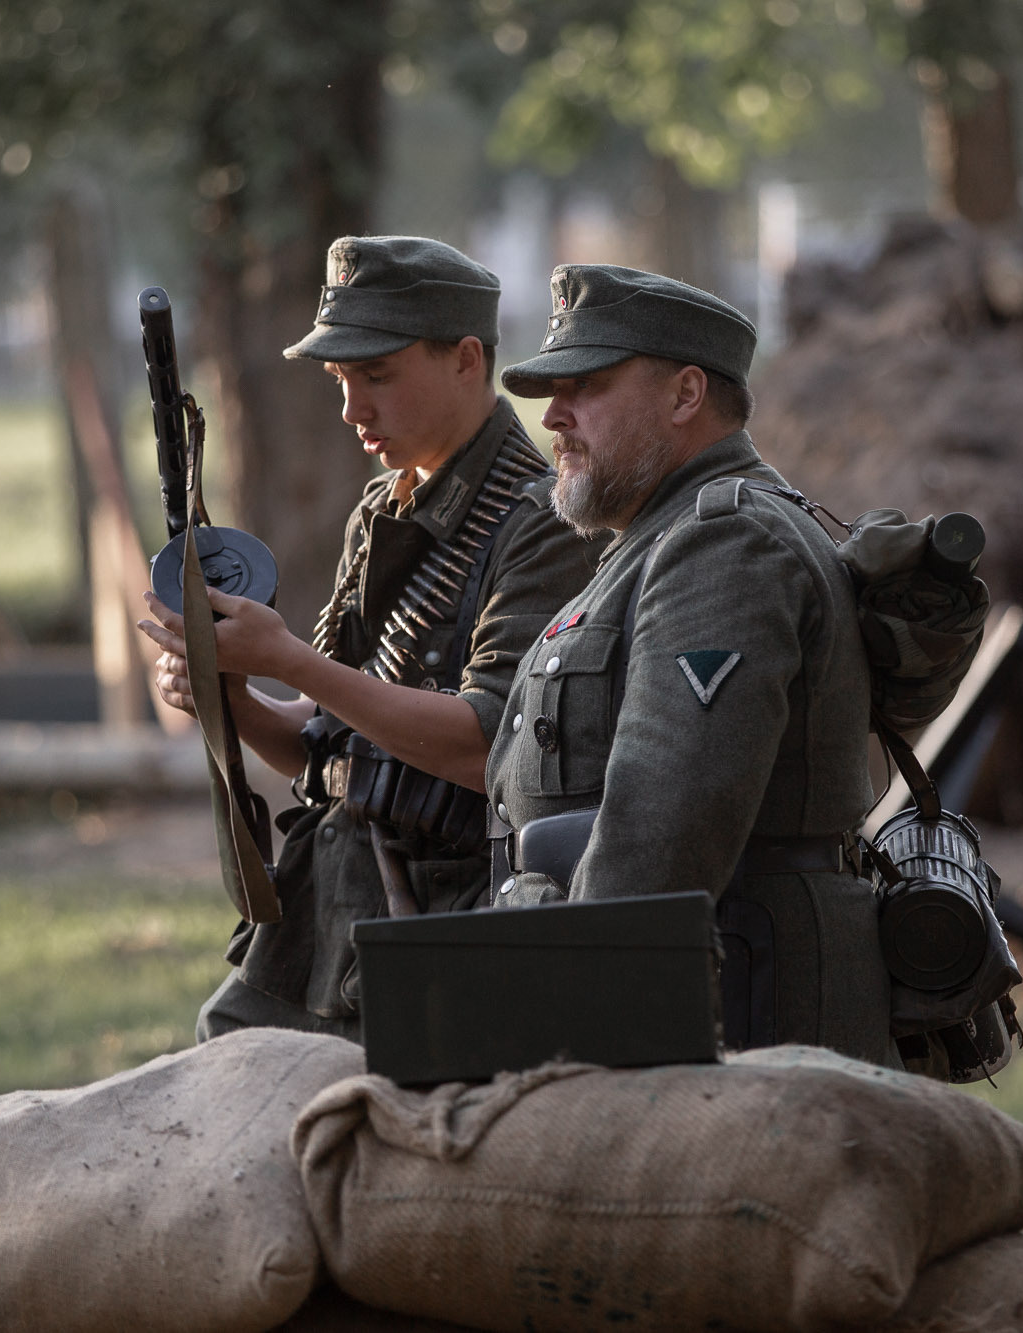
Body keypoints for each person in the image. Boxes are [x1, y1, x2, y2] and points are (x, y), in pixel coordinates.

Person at [138, 236, 604, 1043]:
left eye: (377, 376)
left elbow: (485, 748)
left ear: (466, 360)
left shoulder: (541, 527)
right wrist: (235, 694)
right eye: (341, 380)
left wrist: (290, 659)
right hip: (326, 907)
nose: (353, 409)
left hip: (442, 918)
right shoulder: (381, 512)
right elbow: (330, 753)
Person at [484, 264, 900, 1066]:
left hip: (740, 1030)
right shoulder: (653, 539)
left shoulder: (725, 544)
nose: (555, 415)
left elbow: (662, 833)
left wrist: (562, 1026)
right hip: (697, 1010)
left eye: (587, 384)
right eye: (550, 389)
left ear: (684, 396)